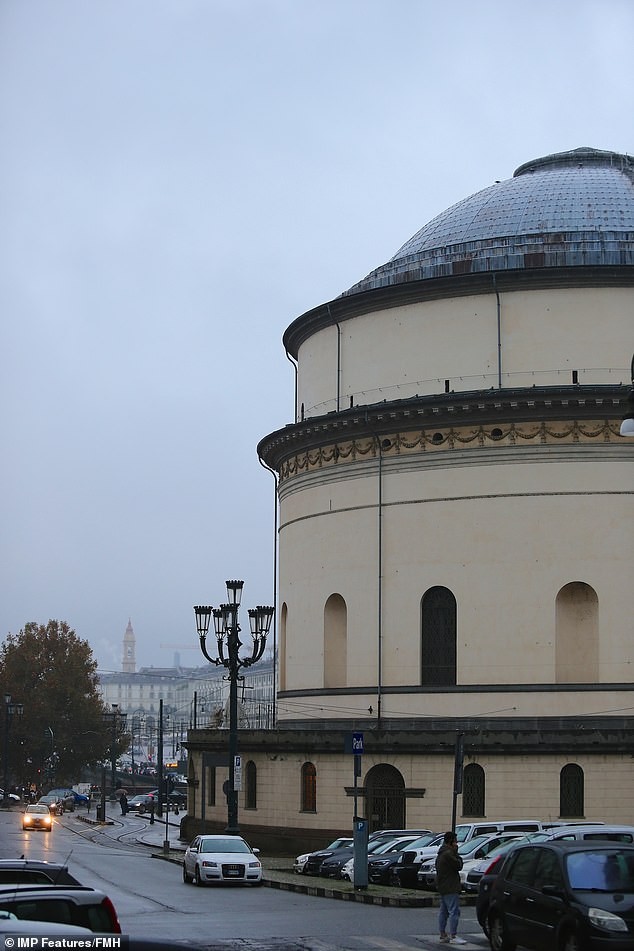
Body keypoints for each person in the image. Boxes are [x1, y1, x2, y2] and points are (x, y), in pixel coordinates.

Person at [434, 830, 466, 944]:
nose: (457, 844)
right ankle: (453, 935)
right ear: (451, 842)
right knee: (454, 911)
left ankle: (443, 934)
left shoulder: (441, 853)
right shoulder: (449, 854)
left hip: (443, 885)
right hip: (450, 886)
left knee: (444, 911)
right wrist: (456, 853)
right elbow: (459, 865)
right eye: (455, 841)